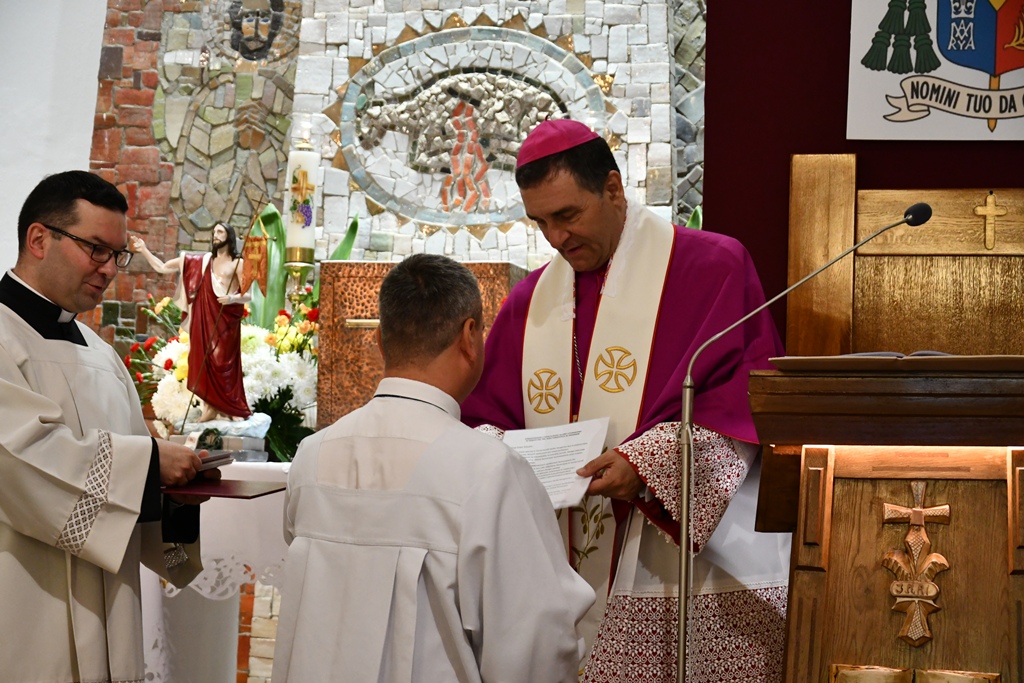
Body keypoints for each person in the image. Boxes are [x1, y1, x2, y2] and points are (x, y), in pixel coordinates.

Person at [461, 119, 791, 683]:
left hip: (671, 562)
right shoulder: (529, 303)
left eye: (567, 215)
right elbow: (485, 422)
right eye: (541, 222)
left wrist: (646, 465)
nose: (556, 238)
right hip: (557, 567)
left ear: (613, 189)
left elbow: (745, 403)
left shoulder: (715, 267)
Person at [272, 254, 595, 683]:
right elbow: (535, 645)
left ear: (381, 342)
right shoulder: (488, 468)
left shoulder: (310, 456)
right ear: (469, 337)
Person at [0, 170, 215, 682]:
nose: (108, 269)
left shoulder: (103, 357)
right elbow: (17, 458)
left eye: (117, 255)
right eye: (95, 249)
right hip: (25, 600)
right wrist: (150, 467)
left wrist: (174, 496)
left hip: (109, 607)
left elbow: (132, 485)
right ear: (38, 239)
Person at [131, 222, 252, 422]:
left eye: (220, 232)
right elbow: (162, 267)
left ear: (229, 236)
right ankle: (209, 409)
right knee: (204, 362)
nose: (215, 235)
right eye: (214, 232)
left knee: (225, 365)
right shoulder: (201, 261)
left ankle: (230, 408)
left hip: (226, 322)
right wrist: (144, 250)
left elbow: (248, 295)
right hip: (203, 320)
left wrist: (232, 298)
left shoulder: (237, 264)